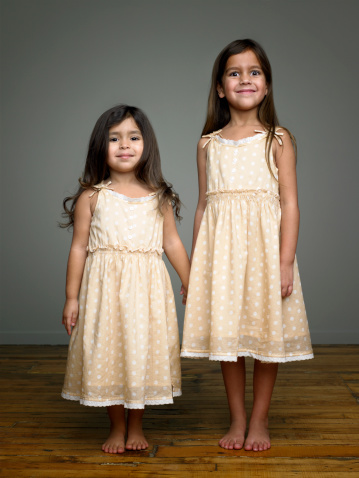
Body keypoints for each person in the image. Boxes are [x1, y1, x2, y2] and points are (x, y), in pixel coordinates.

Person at [181, 39, 313, 452]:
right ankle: (237, 417)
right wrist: (195, 267)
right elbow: (204, 206)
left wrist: (285, 260)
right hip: (219, 256)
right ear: (221, 87)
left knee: (264, 335)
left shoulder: (278, 138)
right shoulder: (208, 144)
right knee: (229, 337)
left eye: (254, 72)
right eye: (234, 72)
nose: (244, 79)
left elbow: (289, 203)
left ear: (267, 85)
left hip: (264, 254)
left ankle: (260, 419)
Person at [61, 105, 190, 454]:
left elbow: (172, 243)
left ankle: (137, 424)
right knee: (110, 354)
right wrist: (71, 297)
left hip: (147, 293)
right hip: (104, 293)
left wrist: (191, 281)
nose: (124, 145)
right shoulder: (93, 196)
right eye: (114, 138)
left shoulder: (159, 196)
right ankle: (116, 425)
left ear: (146, 145)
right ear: (100, 147)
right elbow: (78, 248)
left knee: (140, 354)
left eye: (133, 137)